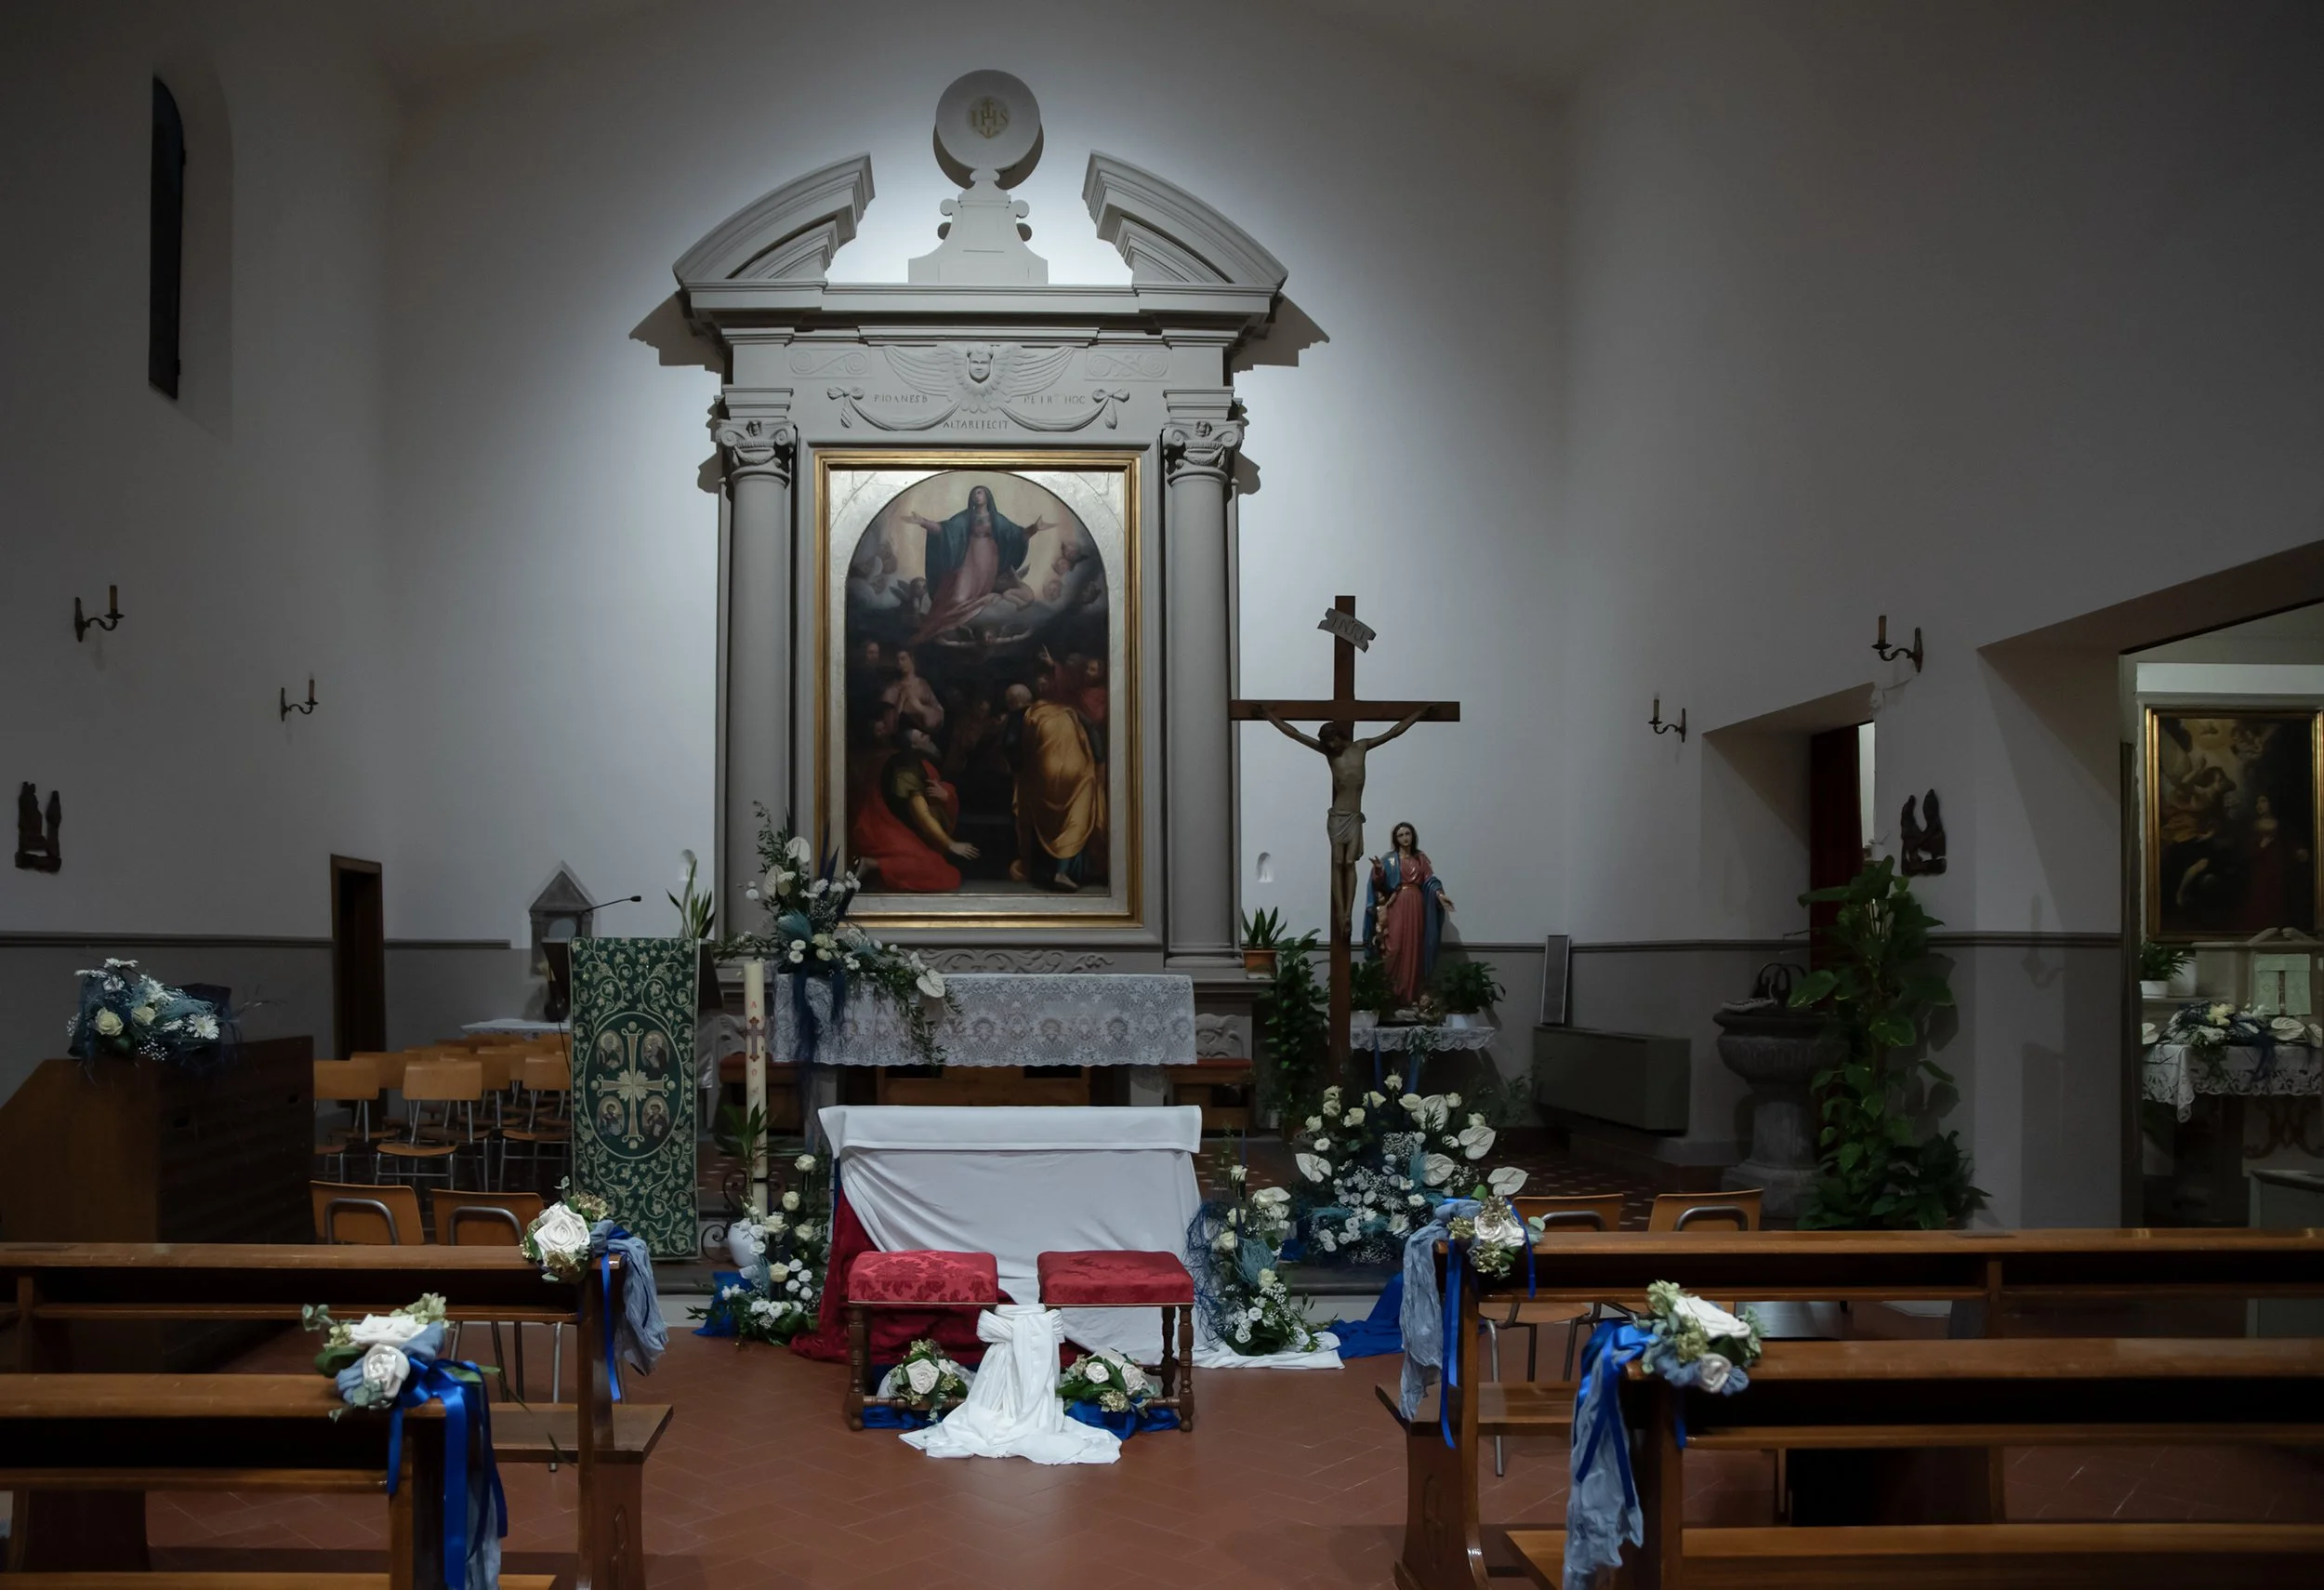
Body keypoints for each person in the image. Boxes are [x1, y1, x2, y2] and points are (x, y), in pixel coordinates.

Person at [1260, 708, 1428, 936]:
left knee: (1350, 863)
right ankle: (1341, 913)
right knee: (1338, 862)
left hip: (1354, 817)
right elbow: (1294, 733)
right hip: (1337, 816)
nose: (1330, 746)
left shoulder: (1361, 747)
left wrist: (1419, 713)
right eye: (1327, 743)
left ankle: (1348, 911)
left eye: (1332, 741)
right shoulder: (1329, 754)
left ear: (1340, 735)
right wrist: (1268, 715)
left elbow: (1395, 731)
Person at [903, 484, 1053, 643]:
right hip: (969, 558)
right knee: (958, 598)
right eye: (974, 493)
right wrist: (922, 521)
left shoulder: (996, 518)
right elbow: (945, 529)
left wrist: (1035, 528)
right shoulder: (966, 517)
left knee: (978, 594)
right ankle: (936, 624)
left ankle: (949, 622)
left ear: (987, 496)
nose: (976, 495)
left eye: (979, 493)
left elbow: (1016, 535)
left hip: (989, 560)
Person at [1011, 653, 1104, 891]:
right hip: (1077, 771)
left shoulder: (1030, 714)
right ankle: (1062, 872)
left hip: (1046, 774)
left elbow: (1015, 747)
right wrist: (1099, 760)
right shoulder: (1069, 711)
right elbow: (1092, 733)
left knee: (1052, 819)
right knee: (1076, 818)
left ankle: (1056, 871)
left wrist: (1020, 770)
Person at [851, 724, 978, 892]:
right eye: (922, 736)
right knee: (936, 871)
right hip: (880, 829)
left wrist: (946, 795)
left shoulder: (922, 763)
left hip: (903, 828)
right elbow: (922, 814)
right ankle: (871, 863)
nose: (928, 737)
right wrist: (950, 844)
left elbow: (937, 792)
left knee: (939, 867)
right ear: (913, 746)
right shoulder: (905, 771)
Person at [1365, 821, 1454, 1008]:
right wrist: (1378, 870)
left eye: (1407, 834)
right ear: (1395, 839)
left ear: (1413, 836)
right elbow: (1379, 884)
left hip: (1417, 905)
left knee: (1415, 948)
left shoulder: (1420, 859)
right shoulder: (1389, 859)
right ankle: (1391, 996)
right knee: (1394, 947)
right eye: (1400, 835)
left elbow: (1430, 880)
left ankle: (1411, 996)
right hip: (1397, 904)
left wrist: (1439, 895)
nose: (1405, 838)